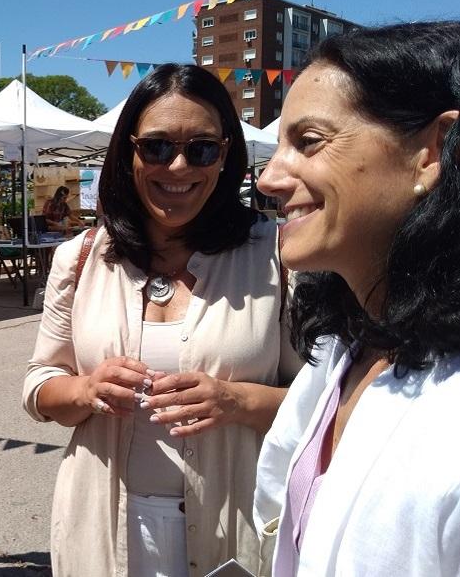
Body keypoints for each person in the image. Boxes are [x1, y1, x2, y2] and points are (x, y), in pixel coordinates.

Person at [22, 63, 301, 576]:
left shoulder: (276, 256)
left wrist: (236, 400)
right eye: (155, 147)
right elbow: (40, 385)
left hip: (233, 528)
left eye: (200, 149)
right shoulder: (81, 257)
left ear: (226, 157)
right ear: (128, 153)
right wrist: (86, 391)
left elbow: (324, 406)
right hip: (104, 527)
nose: (177, 167)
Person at [254, 22, 460, 576]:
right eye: (277, 146)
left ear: (430, 152)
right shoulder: (351, 345)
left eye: (309, 142)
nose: (270, 177)